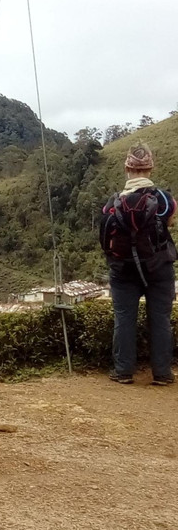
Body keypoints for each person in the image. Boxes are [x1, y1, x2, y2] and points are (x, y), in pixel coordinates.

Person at [102, 143, 176, 385]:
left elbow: (106, 235)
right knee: (160, 319)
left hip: (123, 271)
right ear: (151, 169)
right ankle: (162, 374)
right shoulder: (164, 200)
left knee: (124, 318)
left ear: (127, 168)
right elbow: (170, 223)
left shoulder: (113, 202)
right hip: (159, 268)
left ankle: (123, 371)